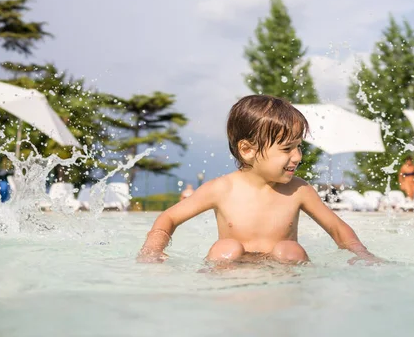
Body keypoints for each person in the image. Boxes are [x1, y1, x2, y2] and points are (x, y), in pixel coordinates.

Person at [137, 95, 382, 265]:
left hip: (282, 273)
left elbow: (337, 228)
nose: (298, 156)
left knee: (290, 250)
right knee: (225, 248)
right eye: (287, 149)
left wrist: (363, 254)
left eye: (299, 147)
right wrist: (152, 252)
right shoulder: (222, 189)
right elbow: (168, 218)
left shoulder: (299, 190)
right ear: (247, 150)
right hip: (232, 273)